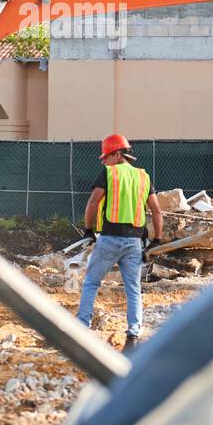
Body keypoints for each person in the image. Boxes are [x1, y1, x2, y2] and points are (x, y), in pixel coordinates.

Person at [76, 134, 164, 350]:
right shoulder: (143, 177)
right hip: (134, 243)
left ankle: (81, 330)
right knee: (133, 289)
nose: (103, 161)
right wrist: (156, 240)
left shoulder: (109, 173)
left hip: (110, 239)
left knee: (91, 283)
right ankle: (133, 337)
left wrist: (88, 231)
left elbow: (93, 203)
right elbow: (157, 211)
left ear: (117, 154)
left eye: (106, 156)